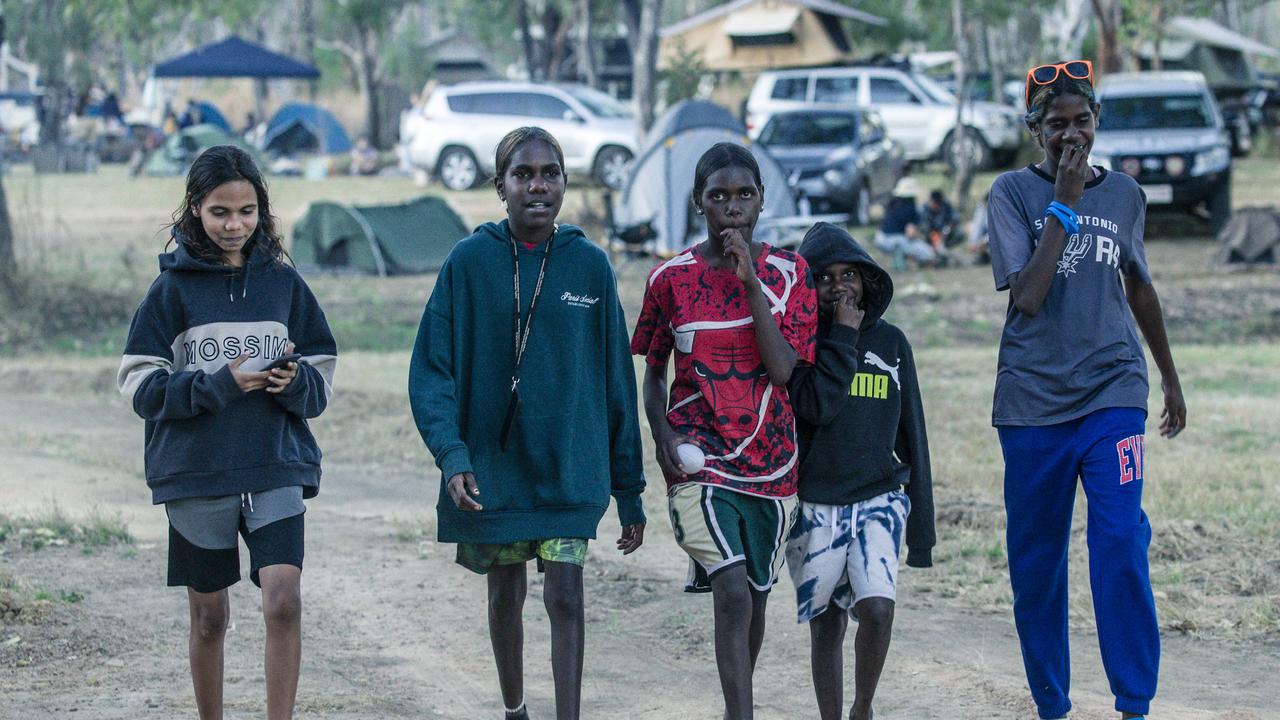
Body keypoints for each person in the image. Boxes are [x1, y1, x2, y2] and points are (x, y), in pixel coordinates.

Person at [408, 126, 646, 720]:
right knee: (506, 593)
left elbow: (617, 379)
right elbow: (431, 371)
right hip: (495, 469)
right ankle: (514, 709)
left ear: (565, 183)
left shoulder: (590, 267)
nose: (538, 185)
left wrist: (630, 491)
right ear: (500, 186)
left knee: (566, 593)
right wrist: (452, 455)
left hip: (568, 466)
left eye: (550, 173)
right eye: (524, 174)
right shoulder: (467, 262)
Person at [987, 60, 1187, 720]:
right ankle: (1052, 703)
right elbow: (1029, 297)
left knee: (1121, 539)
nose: (1070, 135)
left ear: (1097, 123)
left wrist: (1169, 377)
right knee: (1038, 562)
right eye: (1055, 125)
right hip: (1033, 403)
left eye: (1081, 122)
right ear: (1033, 130)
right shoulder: (1012, 193)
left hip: (1113, 390)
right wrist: (1064, 203)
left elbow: (1140, 286)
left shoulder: (1126, 194)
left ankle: (1135, 702)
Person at [117, 145, 338, 720]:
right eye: (220, 212)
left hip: (274, 462)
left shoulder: (286, 286)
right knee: (210, 616)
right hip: (196, 471)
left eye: (246, 211)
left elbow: (321, 378)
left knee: (284, 601)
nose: (235, 225)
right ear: (195, 210)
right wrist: (217, 385)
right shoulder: (171, 293)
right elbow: (140, 386)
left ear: (261, 211)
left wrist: (292, 383)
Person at [632, 142, 817, 720]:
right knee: (732, 587)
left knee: (757, 594)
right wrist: (661, 435)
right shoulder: (671, 280)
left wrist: (750, 285)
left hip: (772, 463)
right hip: (699, 456)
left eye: (744, 195)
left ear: (761, 201)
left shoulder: (790, 274)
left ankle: (739, 700)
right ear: (698, 204)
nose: (732, 208)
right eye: (719, 197)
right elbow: (653, 371)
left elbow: (785, 370)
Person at [786, 222, 935, 720]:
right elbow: (818, 408)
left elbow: (913, 433)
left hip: (878, 497)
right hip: (815, 504)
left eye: (849, 274)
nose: (838, 286)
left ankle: (862, 709)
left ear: (866, 280)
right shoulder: (800, 345)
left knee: (877, 609)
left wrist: (923, 534)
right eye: (824, 278)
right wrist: (842, 338)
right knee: (826, 624)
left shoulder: (892, 344)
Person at [873, 177, 934, 269]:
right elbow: (910, 234)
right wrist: (920, 237)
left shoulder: (891, 204)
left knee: (903, 242)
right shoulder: (912, 208)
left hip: (880, 239)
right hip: (896, 242)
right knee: (928, 251)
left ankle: (900, 259)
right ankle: (909, 261)